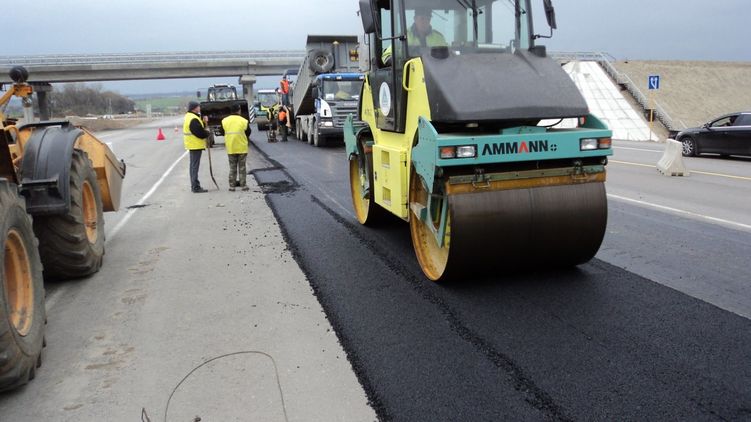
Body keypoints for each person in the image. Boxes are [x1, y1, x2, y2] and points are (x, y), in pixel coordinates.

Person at [382, 8, 448, 65]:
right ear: (415, 19)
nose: (425, 22)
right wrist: (399, 63)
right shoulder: (403, 36)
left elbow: (449, 55)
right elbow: (386, 56)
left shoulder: (439, 38)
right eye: (422, 18)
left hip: (435, 74)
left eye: (428, 19)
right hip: (410, 75)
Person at [221, 104, 251, 191]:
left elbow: (222, 132)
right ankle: (243, 185)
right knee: (242, 167)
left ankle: (232, 186)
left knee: (232, 167)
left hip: (231, 147)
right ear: (239, 110)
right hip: (242, 147)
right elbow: (248, 132)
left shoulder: (224, 121)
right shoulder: (244, 121)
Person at [183, 101, 210, 193]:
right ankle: (195, 187)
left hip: (192, 144)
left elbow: (197, 128)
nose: (200, 108)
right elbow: (199, 132)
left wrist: (204, 122)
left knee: (193, 166)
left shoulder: (190, 116)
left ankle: (195, 185)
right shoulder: (193, 118)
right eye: (198, 107)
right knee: (194, 166)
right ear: (194, 108)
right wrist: (207, 133)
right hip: (195, 145)